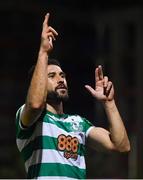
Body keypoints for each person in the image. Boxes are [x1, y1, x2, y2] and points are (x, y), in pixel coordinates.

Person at [15, 13, 130, 179]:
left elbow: (121, 146)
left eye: (62, 75)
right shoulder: (28, 118)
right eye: (52, 76)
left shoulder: (78, 123)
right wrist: (43, 52)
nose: (60, 79)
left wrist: (110, 103)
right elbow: (34, 104)